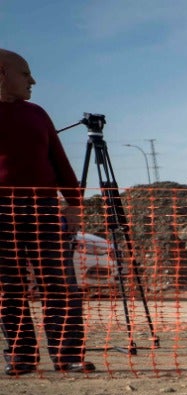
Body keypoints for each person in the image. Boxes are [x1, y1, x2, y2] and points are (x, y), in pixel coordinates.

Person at [0, 49, 91, 376]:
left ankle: (69, 356)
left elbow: (61, 162)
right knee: (9, 287)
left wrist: (75, 204)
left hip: (45, 209)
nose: (33, 81)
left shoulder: (37, 113)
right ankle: (21, 358)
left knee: (61, 284)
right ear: (2, 73)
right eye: (25, 74)